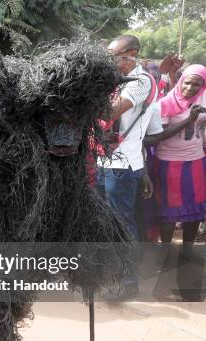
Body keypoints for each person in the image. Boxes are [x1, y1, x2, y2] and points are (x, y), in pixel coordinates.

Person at [97, 35, 157, 300]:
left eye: (115, 55)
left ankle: (128, 282)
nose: (110, 61)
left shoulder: (141, 81)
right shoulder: (117, 80)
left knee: (121, 224)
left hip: (120, 165)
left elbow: (110, 113)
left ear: (131, 54)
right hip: (104, 159)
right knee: (105, 221)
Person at [145, 65, 206, 272]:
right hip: (169, 163)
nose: (190, 87)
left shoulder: (204, 99)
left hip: (196, 161)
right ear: (180, 81)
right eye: (187, 82)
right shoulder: (164, 104)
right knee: (169, 212)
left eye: (196, 84)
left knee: (196, 210)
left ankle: (187, 250)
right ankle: (165, 254)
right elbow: (158, 136)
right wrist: (188, 120)